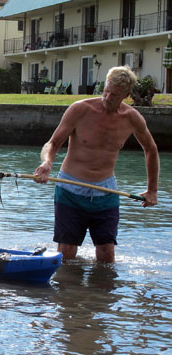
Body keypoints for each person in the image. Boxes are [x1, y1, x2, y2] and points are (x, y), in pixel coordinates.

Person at [33, 65, 159, 263]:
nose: (108, 97)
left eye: (114, 95)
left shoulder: (132, 118)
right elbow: (53, 143)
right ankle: (69, 293)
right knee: (66, 253)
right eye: (106, 91)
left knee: (106, 254)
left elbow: (151, 149)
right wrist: (48, 162)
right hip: (70, 188)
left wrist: (152, 190)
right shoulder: (81, 109)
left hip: (106, 191)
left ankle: (102, 293)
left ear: (126, 95)